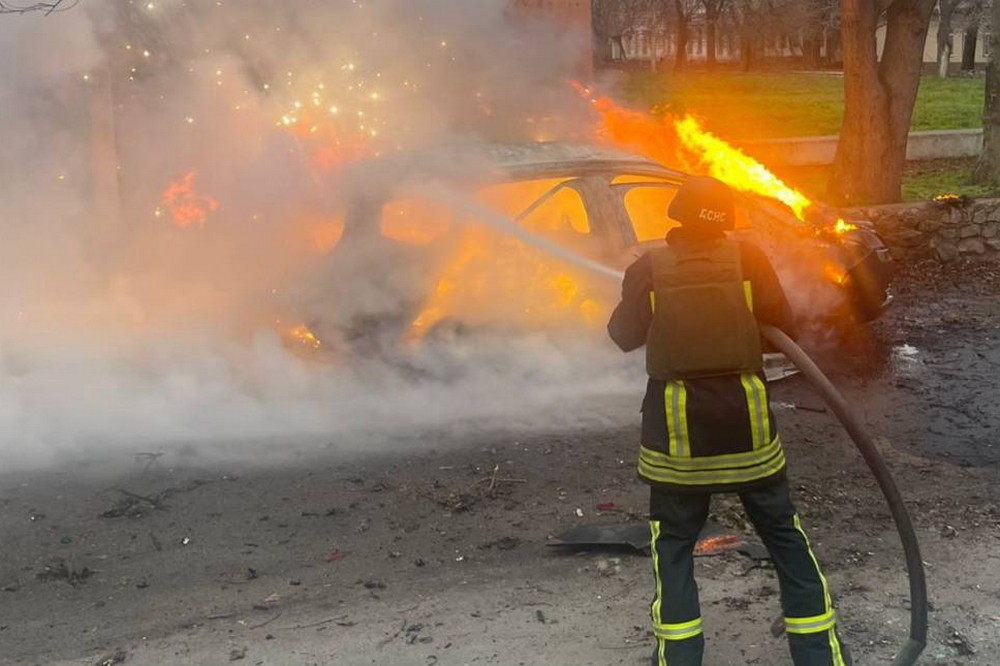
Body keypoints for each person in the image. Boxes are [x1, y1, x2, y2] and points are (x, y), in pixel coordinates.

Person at [607, 176, 850, 666]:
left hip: (678, 436)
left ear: (676, 216)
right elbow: (780, 325)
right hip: (748, 428)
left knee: (673, 546)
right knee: (785, 535)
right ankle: (819, 657)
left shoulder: (647, 269)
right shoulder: (749, 260)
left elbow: (622, 336)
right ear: (726, 220)